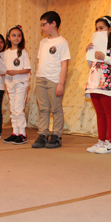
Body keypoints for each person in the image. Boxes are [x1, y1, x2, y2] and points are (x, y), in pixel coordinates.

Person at [85, 16, 111, 154]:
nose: (98, 31)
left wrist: (105, 58)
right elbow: (92, 65)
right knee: (100, 114)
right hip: (94, 83)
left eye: (101, 28)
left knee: (109, 113)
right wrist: (89, 52)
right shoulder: (96, 45)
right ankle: (101, 141)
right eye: (97, 28)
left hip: (107, 84)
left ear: (110, 29)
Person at [32, 11, 71, 149]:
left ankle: (56, 135)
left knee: (56, 109)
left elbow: (64, 64)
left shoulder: (62, 42)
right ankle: (43, 134)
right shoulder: (43, 42)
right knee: (43, 109)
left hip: (54, 80)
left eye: (44, 24)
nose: (42, 28)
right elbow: (41, 61)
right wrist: (37, 78)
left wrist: (61, 83)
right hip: (41, 79)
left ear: (53, 23)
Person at [2, 26, 31, 145]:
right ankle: (15, 132)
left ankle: (22, 134)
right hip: (10, 83)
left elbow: (27, 69)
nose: (16, 38)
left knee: (18, 109)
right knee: (13, 109)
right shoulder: (6, 53)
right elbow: (4, 68)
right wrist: (0, 71)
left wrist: (15, 72)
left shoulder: (23, 52)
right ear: (8, 38)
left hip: (21, 83)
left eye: (19, 35)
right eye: (13, 35)